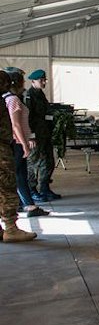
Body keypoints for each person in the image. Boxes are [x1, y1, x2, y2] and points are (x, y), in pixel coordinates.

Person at [3, 68, 50, 219]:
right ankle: (29, 205)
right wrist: (24, 143)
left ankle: (22, 203)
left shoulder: (8, 98)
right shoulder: (13, 99)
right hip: (16, 142)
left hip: (14, 141)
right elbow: (16, 124)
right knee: (19, 174)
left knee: (18, 174)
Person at [0, 70, 37, 242]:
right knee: (7, 188)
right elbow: (15, 125)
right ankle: (11, 228)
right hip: (2, 150)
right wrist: (24, 144)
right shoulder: (7, 100)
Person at [23, 69, 59, 201]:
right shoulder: (29, 96)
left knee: (48, 162)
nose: (44, 82)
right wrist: (31, 136)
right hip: (35, 135)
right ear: (33, 81)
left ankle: (44, 188)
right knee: (33, 163)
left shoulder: (40, 94)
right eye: (41, 80)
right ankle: (31, 190)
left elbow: (46, 114)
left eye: (45, 80)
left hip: (45, 134)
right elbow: (27, 117)